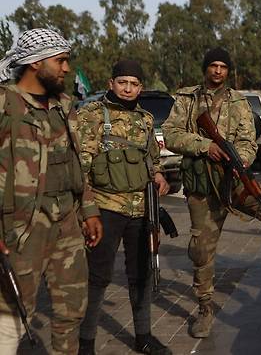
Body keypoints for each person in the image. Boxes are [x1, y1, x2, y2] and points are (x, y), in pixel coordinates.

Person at [162, 47, 261, 339]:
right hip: (203, 188)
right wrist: (206, 146)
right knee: (202, 251)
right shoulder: (187, 99)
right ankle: (205, 309)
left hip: (232, 183)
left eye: (223, 66)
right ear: (205, 68)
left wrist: (242, 159)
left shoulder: (240, 102)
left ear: (228, 71)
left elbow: (249, 139)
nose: (218, 71)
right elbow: (171, 134)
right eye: (213, 65)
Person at [0, 29, 103, 354]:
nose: (66, 69)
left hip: (67, 224)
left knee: (72, 311)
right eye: (60, 61)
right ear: (35, 63)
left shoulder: (63, 106)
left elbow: (75, 162)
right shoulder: (5, 104)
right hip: (20, 229)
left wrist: (89, 211)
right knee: (12, 316)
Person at [76, 60, 171, 355]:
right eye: (122, 82)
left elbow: (151, 158)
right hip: (105, 208)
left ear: (140, 87)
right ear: (111, 84)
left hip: (141, 210)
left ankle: (143, 336)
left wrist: (158, 175)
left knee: (140, 274)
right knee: (98, 276)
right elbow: (80, 168)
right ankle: (86, 342)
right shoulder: (91, 115)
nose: (128, 88)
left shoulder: (144, 119)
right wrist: (87, 210)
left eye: (134, 83)